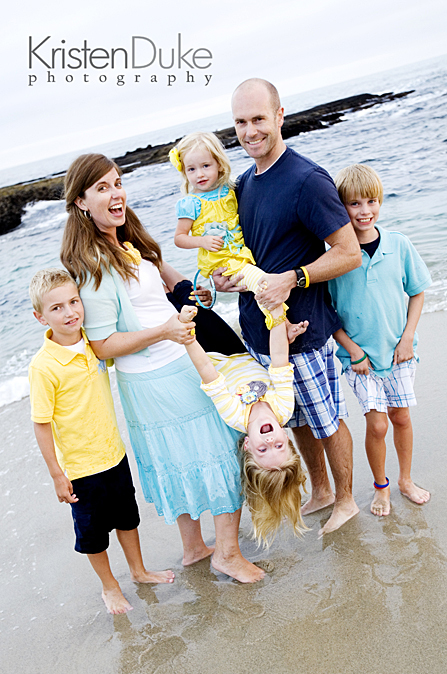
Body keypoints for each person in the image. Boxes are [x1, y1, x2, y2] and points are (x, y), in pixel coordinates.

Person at [60, 153, 264, 584]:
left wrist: (198, 294)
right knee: (224, 448)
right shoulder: (93, 266)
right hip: (159, 374)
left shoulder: (125, 241)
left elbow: (169, 284)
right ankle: (226, 554)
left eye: (117, 183)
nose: (116, 193)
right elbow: (101, 345)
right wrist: (165, 331)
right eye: (102, 188)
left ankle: (195, 549)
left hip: (175, 359)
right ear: (81, 202)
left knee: (193, 454)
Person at [215, 78, 361, 536]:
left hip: (306, 331)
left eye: (258, 118)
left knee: (325, 420)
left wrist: (294, 278)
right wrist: (225, 280)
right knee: (293, 418)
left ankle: (347, 500)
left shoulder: (306, 179)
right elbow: (249, 256)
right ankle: (319, 491)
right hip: (261, 336)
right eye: (240, 122)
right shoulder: (244, 183)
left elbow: (348, 252)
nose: (249, 130)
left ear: (279, 116)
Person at [28, 268, 175, 615]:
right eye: (57, 308)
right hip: (80, 468)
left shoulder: (94, 346)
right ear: (40, 317)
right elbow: (42, 424)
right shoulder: (44, 366)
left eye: (73, 302)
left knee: (128, 518)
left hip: (114, 454)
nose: (70, 313)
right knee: (93, 534)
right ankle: (110, 587)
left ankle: (138, 571)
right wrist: (56, 475)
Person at [329, 164, 432, 516]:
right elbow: (328, 313)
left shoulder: (398, 244)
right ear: (341, 207)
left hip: (399, 352)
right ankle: (381, 486)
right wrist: (353, 350)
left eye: (371, 201)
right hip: (359, 359)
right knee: (377, 423)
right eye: (354, 204)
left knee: (401, 418)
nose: (364, 211)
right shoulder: (335, 256)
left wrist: (408, 338)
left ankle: (405, 479)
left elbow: (417, 293)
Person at [178, 302, 308, 546]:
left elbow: (207, 370)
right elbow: (279, 358)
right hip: (234, 348)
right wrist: (278, 315)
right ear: (287, 440)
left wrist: (187, 336)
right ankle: (164, 270)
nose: (270, 442)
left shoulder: (235, 415)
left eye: (263, 450)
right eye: (278, 447)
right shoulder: (283, 407)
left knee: (174, 305)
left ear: (248, 445)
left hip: (207, 353)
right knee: (191, 298)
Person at [170, 131, 287, 329]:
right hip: (222, 261)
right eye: (191, 169)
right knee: (263, 284)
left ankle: (282, 325)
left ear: (219, 164)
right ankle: (284, 330)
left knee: (260, 288)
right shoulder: (190, 203)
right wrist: (202, 241)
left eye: (205, 166)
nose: (199, 174)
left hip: (241, 254)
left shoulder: (229, 189)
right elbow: (179, 238)